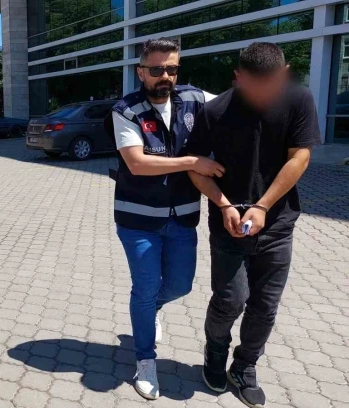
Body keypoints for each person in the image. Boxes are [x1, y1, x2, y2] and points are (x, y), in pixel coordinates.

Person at [186, 42, 320, 408]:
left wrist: (263, 206)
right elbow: (195, 167)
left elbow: (300, 157)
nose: (263, 94)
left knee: (265, 306)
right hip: (228, 224)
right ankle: (215, 354)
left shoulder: (299, 100)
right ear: (238, 77)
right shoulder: (215, 111)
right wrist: (223, 204)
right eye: (253, 85)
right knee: (230, 300)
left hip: (277, 224)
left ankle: (244, 366)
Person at [110, 37, 224, 400]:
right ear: (141, 72)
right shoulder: (126, 110)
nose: (166, 76)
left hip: (182, 218)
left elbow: (233, 105)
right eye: (157, 69)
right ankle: (145, 360)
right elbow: (137, 163)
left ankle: (153, 308)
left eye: (172, 68)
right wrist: (192, 162)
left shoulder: (195, 99)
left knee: (180, 285)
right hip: (138, 220)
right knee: (144, 289)